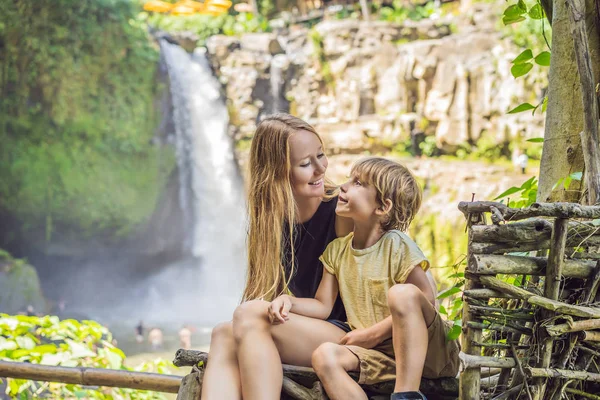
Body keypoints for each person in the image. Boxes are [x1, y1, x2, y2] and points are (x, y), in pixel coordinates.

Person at [267, 157, 460, 400]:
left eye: (357, 183)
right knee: (324, 355)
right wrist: (289, 301)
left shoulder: (396, 244)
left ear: (382, 207)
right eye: (349, 179)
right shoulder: (337, 251)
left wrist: (374, 333)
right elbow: (322, 305)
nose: (343, 186)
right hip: (382, 356)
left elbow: (427, 301)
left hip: (432, 354)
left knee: (402, 294)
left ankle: (406, 394)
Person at [201, 113, 357, 399]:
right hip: (306, 329)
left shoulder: (340, 212)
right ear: (277, 172)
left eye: (321, 156)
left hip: (346, 335)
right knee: (223, 333)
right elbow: (266, 295)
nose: (320, 169)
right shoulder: (268, 222)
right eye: (305, 164)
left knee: (248, 313)